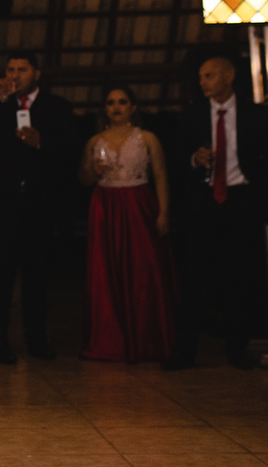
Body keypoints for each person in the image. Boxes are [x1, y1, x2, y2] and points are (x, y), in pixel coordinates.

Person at [0, 51, 76, 364]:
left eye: (21, 70)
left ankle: (37, 341)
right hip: (2, 206)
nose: (14, 75)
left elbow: (71, 150)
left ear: (36, 73)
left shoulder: (57, 107)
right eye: (10, 69)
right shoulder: (0, 105)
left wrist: (41, 142)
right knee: (0, 278)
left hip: (40, 206)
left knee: (37, 278)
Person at [165, 55, 268, 371]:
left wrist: (259, 199)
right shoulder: (192, 116)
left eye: (210, 76)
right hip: (204, 201)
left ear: (229, 76)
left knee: (239, 277)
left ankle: (237, 349)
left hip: (240, 199)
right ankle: (184, 351)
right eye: (201, 77)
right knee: (194, 277)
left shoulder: (256, 115)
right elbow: (176, 160)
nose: (203, 82)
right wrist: (194, 159)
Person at [77, 85, 176, 363]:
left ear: (133, 107)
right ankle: (111, 339)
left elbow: (160, 175)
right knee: (107, 270)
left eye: (122, 102)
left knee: (144, 269)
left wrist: (164, 212)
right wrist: (92, 171)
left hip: (138, 205)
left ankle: (148, 338)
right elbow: (83, 178)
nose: (116, 107)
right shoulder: (95, 140)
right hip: (105, 207)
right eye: (110, 103)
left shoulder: (147, 138)